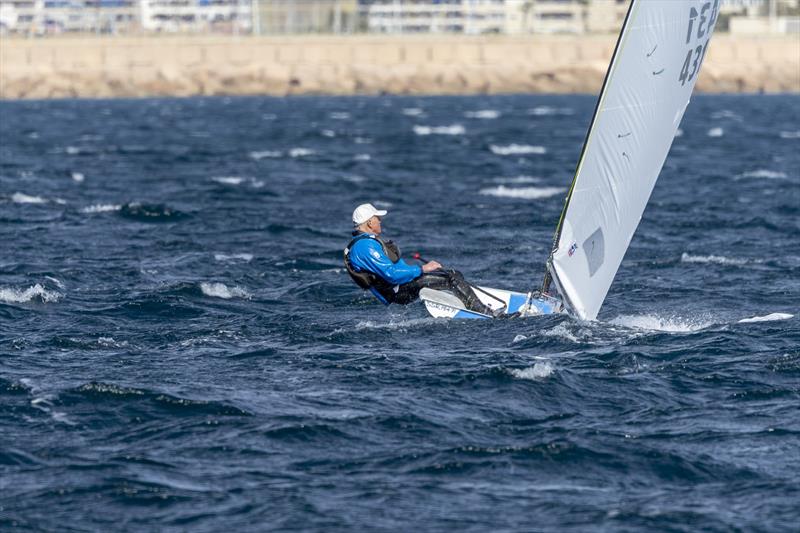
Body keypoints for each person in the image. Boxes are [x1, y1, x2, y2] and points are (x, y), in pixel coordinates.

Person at [343, 203, 500, 316]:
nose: (380, 221)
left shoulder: (366, 242)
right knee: (451, 278)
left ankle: (468, 304)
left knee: (453, 274)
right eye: (377, 218)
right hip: (397, 291)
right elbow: (391, 274)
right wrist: (423, 269)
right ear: (370, 222)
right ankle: (486, 312)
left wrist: (422, 272)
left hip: (400, 286)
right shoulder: (364, 247)